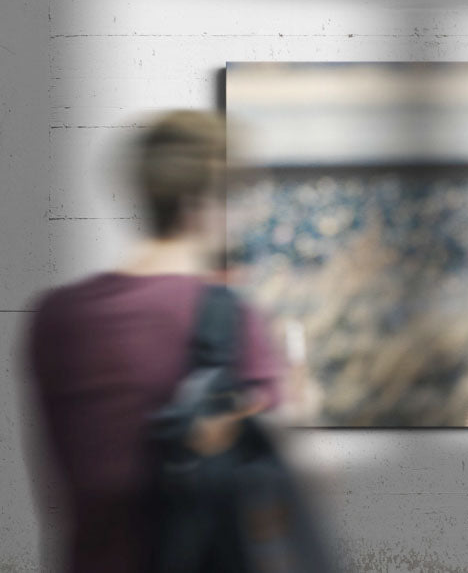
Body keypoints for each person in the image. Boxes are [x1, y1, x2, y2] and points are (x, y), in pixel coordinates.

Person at [24, 111, 282, 572]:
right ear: (200, 202)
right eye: (239, 196)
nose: (247, 215)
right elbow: (270, 511)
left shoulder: (54, 317)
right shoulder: (230, 319)